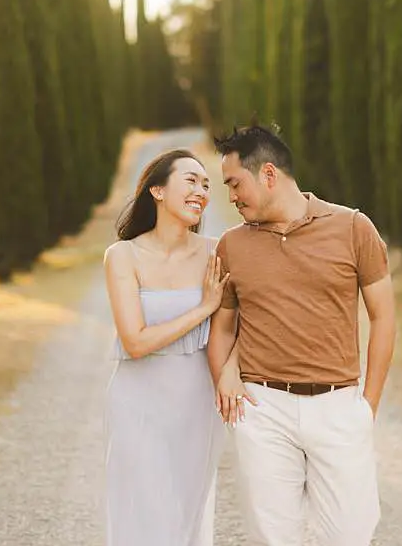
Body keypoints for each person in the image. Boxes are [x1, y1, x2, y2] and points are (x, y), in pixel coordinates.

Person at [207, 124, 397, 546]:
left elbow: (383, 316)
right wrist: (225, 378)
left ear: (268, 174)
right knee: (273, 538)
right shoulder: (231, 245)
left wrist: (367, 407)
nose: (231, 197)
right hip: (263, 409)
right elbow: (222, 327)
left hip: (338, 406)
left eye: (235, 183)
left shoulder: (354, 228)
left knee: (351, 534)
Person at [102, 148, 238, 546]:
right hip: (136, 404)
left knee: (185, 516)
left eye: (207, 185)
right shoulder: (123, 255)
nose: (202, 192)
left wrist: (231, 372)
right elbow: (135, 341)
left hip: (198, 405)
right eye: (191, 180)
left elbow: (238, 328)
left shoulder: (218, 251)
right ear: (157, 191)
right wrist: (203, 309)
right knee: (143, 514)